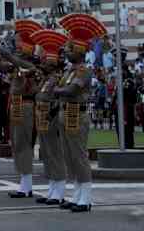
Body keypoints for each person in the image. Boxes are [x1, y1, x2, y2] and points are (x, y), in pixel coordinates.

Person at [0, 40, 38, 198]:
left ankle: (26, 186)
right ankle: (25, 184)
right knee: (17, 144)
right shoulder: (17, 67)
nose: (17, 51)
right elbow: (0, 65)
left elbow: (11, 58)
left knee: (23, 144)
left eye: (20, 49)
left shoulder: (31, 67)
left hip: (25, 105)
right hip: (16, 105)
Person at [55, 40, 94, 212]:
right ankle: (76, 196)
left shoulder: (83, 71)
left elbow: (70, 90)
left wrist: (57, 91)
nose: (66, 51)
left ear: (79, 52)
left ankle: (85, 199)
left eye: (70, 49)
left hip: (77, 113)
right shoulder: (69, 71)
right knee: (69, 157)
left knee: (79, 155)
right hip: (66, 112)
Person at [36, 57, 67, 205]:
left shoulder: (57, 79)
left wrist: (52, 113)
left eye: (47, 64)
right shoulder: (45, 80)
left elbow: (61, 99)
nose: (43, 66)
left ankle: (59, 192)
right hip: (42, 117)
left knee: (55, 154)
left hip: (51, 118)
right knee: (47, 155)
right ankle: (52, 189)